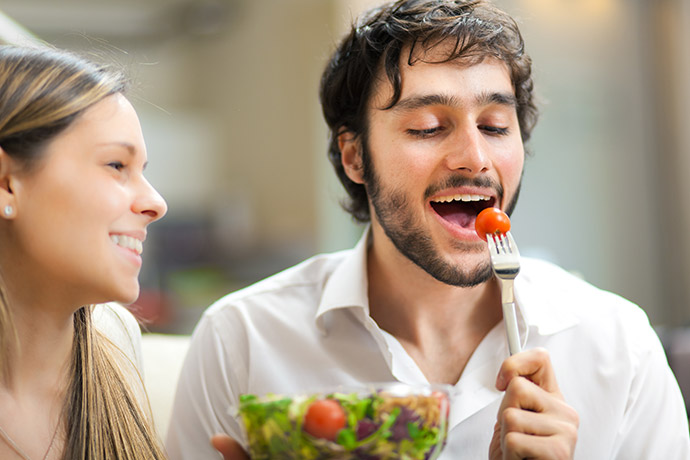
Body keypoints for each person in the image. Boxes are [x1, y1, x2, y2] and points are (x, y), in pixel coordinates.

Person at [166, 0, 690, 458]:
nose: (475, 157)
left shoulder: (618, 346)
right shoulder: (243, 340)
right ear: (354, 156)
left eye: (494, 126)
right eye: (428, 128)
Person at [0, 45, 168, 459]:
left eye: (142, 171)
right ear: (6, 183)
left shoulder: (116, 341)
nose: (156, 203)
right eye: (116, 165)